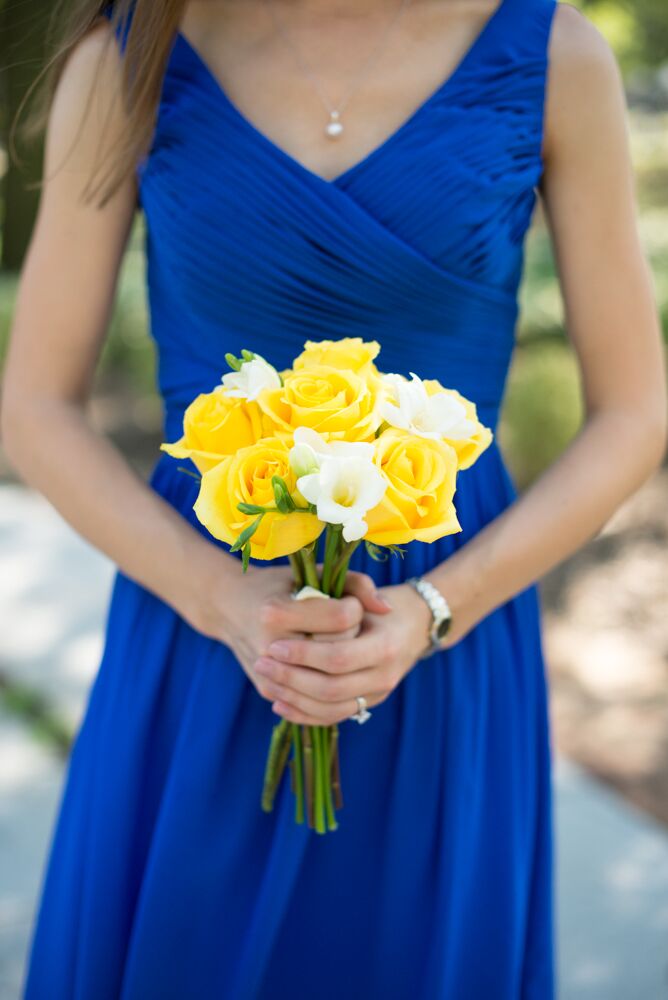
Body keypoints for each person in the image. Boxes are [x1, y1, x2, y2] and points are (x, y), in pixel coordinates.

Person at [3, 0, 665, 996]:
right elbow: (36, 407)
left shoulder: (552, 55)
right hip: (205, 621)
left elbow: (632, 414)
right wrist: (227, 601)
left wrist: (434, 611)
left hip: (446, 628)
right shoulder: (128, 58)